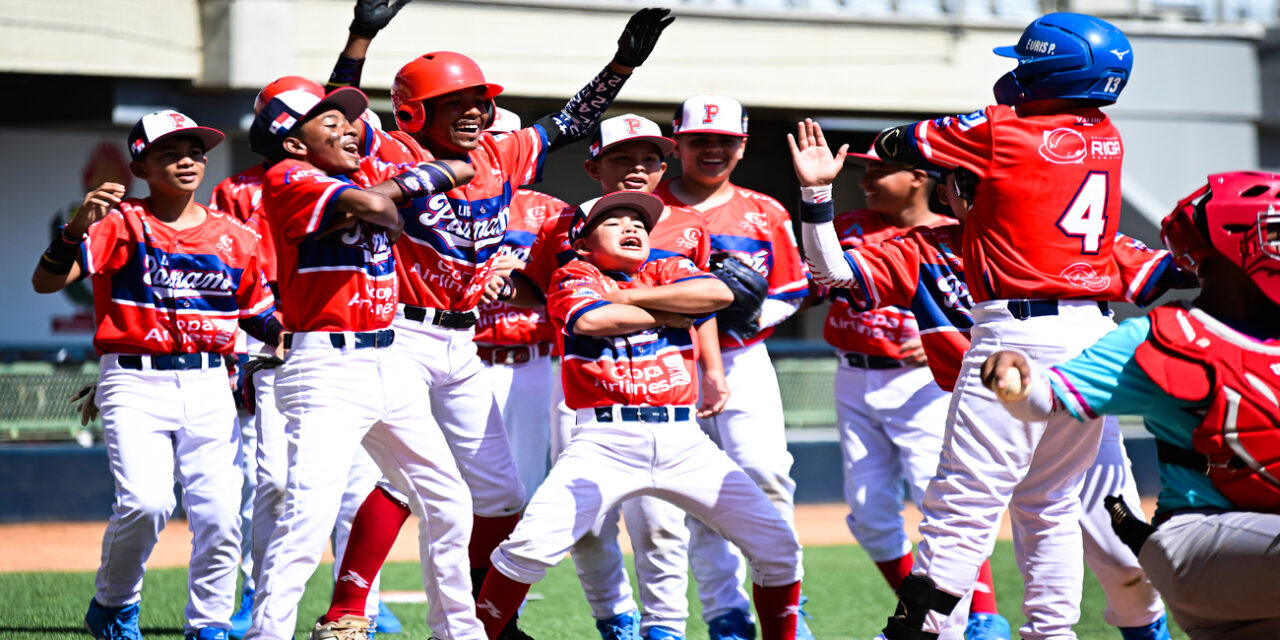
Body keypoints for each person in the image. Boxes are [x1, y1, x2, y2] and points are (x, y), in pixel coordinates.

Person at [305, 7, 674, 639]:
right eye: (457, 101)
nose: (475, 110)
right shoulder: (394, 151)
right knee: (402, 483)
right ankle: (347, 614)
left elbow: (570, 120)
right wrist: (359, 40)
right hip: (398, 335)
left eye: (479, 99)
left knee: (501, 497)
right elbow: (326, 120)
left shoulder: (502, 152)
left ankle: (481, 620)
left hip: (461, 344)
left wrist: (622, 65)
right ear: (416, 112)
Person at [787, 44, 1170, 633]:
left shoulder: (1006, 135)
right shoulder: (1102, 133)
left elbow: (905, 143)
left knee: (963, 508)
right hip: (1093, 341)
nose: (951, 192)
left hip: (1015, 341)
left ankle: (922, 630)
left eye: (959, 183)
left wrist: (816, 195)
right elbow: (1168, 272)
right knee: (1049, 509)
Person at [472, 190, 804, 640]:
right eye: (614, 221)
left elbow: (717, 291)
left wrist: (633, 297)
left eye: (639, 222)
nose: (632, 227)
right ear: (584, 242)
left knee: (778, 549)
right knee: (527, 549)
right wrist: (672, 312)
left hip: (685, 441)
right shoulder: (572, 274)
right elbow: (589, 321)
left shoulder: (668, 266)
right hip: (604, 442)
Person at [981, 170, 1280, 639]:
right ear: (1227, 244)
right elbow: (1045, 399)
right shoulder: (1162, 337)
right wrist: (1016, 378)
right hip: (1200, 544)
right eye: (1277, 233)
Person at [239, 85, 480, 640]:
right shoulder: (286, 177)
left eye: (350, 123)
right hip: (326, 367)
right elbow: (380, 206)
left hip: (388, 359)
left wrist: (391, 189)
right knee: (307, 519)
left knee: (448, 501)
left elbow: (458, 172)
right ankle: (266, 633)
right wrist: (398, 190)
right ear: (294, 143)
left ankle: (458, 633)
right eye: (330, 124)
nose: (349, 129)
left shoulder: (350, 176)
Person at [32, 110, 280, 640]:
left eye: (194, 151)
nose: (186, 160)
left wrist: (296, 341)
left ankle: (208, 625)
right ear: (141, 164)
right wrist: (76, 229)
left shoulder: (236, 236)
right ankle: (115, 604)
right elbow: (46, 283)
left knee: (217, 514)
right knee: (146, 503)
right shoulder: (119, 223)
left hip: (210, 381)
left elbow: (259, 316)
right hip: (133, 379)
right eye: (169, 152)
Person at [208, 75, 398, 639]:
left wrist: (360, 38)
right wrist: (263, 326)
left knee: (358, 484)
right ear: (282, 130)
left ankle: (362, 601)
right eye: (320, 115)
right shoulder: (245, 189)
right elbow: (238, 270)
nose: (338, 123)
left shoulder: (354, 173)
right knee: (276, 486)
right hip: (280, 343)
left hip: (347, 342)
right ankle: (258, 596)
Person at [516, 114, 719, 640]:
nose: (637, 168)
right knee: (587, 523)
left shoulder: (687, 223)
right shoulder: (563, 224)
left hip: (662, 379)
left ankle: (665, 626)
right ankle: (616, 619)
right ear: (593, 166)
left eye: (649, 158)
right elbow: (539, 291)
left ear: (663, 164)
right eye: (621, 158)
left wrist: (713, 369)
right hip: (585, 383)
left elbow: (705, 305)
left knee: (660, 523)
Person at [816, 146, 1012, 640]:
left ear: (919, 178)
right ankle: (926, 611)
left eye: (880, 170)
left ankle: (983, 614)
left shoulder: (961, 236)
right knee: (868, 512)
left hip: (926, 383)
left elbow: (994, 312)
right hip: (854, 374)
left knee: (945, 502)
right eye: (866, 169)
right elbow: (813, 281)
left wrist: (952, 342)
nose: (866, 179)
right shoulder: (850, 225)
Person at [654, 95, 810, 640]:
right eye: (700, 140)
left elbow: (794, 288)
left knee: (765, 473)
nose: (713, 149)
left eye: (725, 140)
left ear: (742, 146)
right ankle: (726, 613)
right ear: (678, 145)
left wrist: (746, 317)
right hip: (667, 358)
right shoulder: (648, 206)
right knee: (691, 494)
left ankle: (788, 598)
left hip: (744, 357)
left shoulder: (765, 210)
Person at [472, 107, 568, 500]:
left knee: (523, 482)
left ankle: (509, 565)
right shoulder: (443, 201)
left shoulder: (553, 210)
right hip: (466, 358)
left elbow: (569, 291)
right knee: (459, 484)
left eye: (504, 140)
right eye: (488, 139)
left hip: (531, 361)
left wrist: (518, 280)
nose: (495, 149)